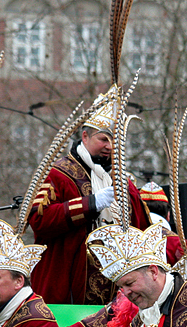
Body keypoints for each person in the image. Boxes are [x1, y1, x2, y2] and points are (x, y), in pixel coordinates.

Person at [26, 86, 152, 305]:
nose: (110, 147)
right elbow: (39, 220)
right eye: (103, 139)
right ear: (85, 136)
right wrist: (91, 204)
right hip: (68, 289)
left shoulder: (125, 181)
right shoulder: (58, 172)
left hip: (119, 292)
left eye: (115, 142)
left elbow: (144, 233)